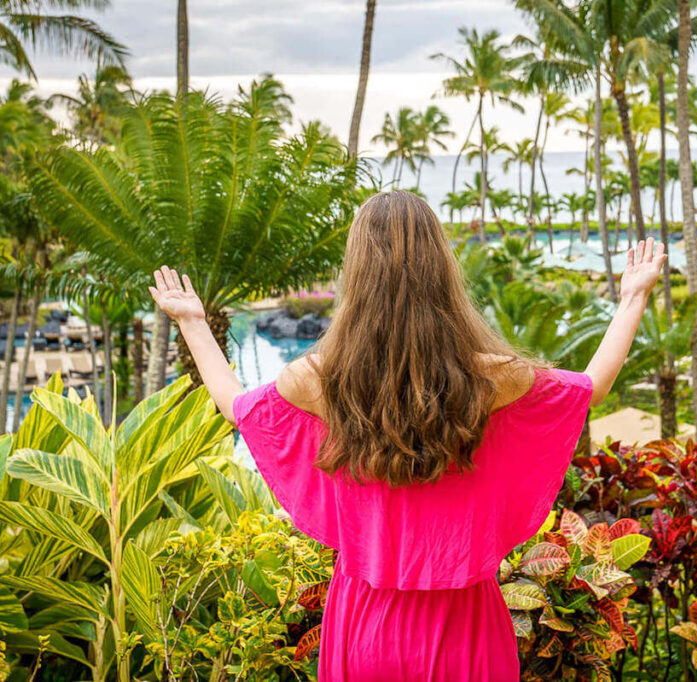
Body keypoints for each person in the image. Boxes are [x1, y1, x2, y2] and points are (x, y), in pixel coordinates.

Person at [149, 191, 667, 681]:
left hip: (364, 623)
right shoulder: (490, 376)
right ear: (441, 268)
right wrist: (632, 299)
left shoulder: (319, 378)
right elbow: (591, 388)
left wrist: (193, 323)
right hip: (467, 627)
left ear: (357, 273)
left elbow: (237, 408)